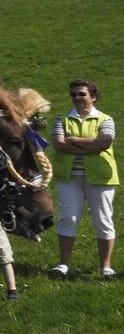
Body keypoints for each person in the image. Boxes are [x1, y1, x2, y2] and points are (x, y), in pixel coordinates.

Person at [49, 78, 116, 279]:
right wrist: (91, 145)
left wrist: (75, 141)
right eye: (73, 94)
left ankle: (106, 266)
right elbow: (59, 144)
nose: (77, 98)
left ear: (93, 97)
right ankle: (63, 264)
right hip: (69, 178)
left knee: (103, 220)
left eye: (82, 94)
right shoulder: (62, 119)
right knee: (68, 218)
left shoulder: (106, 119)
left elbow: (104, 143)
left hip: (101, 178)